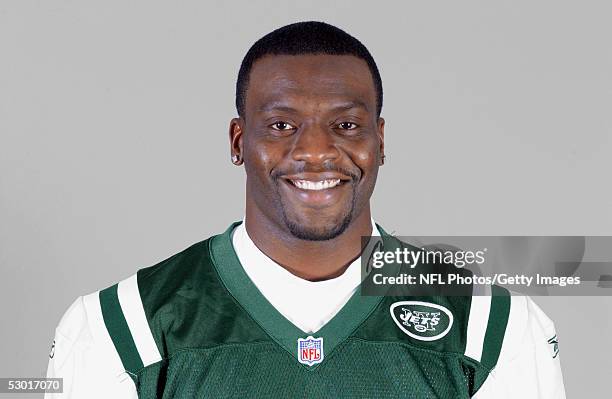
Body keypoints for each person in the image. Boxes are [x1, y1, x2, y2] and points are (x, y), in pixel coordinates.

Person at [46, 21, 566, 398]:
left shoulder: (490, 326)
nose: (314, 151)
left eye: (345, 125)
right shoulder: (125, 327)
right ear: (237, 140)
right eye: (281, 125)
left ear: (379, 141)